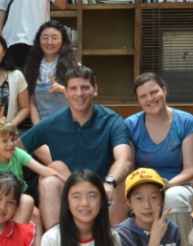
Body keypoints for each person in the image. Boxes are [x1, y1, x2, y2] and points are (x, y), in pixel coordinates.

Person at [20, 64, 133, 229]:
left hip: (104, 190)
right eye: (73, 88)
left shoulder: (112, 121)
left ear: (95, 90)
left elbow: (125, 159)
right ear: (65, 92)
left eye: (85, 88)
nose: (79, 94)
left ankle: (116, 238)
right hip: (69, 192)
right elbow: (15, 149)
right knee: (48, 180)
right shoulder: (52, 123)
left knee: (120, 178)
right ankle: (56, 239)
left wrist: (109, 182)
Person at [124, 73, 193, 246]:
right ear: (138, 100)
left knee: (173, 199)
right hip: (143, 186)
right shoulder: (130, 125)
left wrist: (167, 185)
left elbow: (191, 169)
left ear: (164, 91)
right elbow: (128, 166)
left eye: (154, 92)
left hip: (178, 186)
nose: (150, 99)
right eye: (143, 96)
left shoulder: (186, 122)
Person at [0, 117, 54, 231]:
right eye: (4, 141)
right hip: (7, 199)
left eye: (13, 139)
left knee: (54, 168)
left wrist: (68, 180)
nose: (11, 144)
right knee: (36, 216)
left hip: (24, 192)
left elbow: (43, 170)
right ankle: (14, 240)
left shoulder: (16, 153)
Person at [24, 21, 77, 124]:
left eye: (54, 38)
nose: (49, 42)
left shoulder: (73, 66)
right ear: (39, 41)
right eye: (45, 38)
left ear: (63, 41)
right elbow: (32, 103)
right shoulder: (31, 67)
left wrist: (62, 89)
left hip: (69, 125)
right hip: (43, 126)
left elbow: (80, 98)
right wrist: (39, 129)